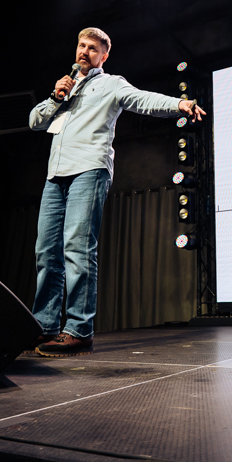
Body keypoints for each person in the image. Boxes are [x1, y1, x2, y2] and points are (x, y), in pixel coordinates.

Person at [27, 27, 205, 356]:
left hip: (89, 170)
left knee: (77, 249)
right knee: (46, 252)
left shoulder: (111, 84)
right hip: (55, 176)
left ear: (103, 56)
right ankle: (44, 326)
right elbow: (35, 121)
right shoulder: (65, 87)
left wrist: (180, 104)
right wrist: (56, 96)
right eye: (82, 45)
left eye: (92, 48)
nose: (85, 51)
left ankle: (78, 330)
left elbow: (144, 100)